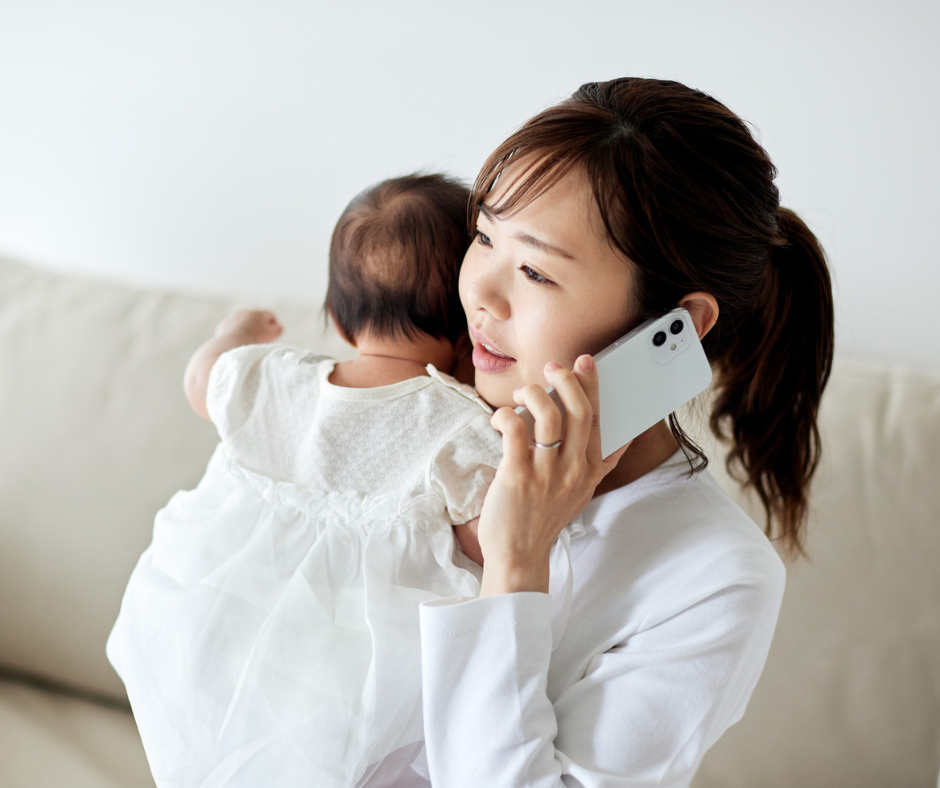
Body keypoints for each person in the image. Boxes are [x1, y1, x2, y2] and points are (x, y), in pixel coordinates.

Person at [411, 77, 834, 787]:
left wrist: (518, 565)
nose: (479, 293)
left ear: (677, 327)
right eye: (484, 235)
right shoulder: (421, 414)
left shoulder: (716, 575)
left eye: (537, 272)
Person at [106, 174, 505, 788]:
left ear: (339, 322)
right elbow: (486, 543)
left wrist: (236, 333)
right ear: (464, 334)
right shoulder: (459, 424)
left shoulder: (273, 378)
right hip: (352, 691)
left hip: (216, 638)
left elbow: (200, 382)